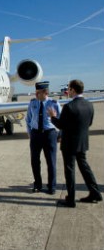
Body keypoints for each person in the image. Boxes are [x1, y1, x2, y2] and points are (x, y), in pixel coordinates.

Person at [48, 79, 102, 208]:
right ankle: (95, 193)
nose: (68, 91)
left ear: (73, 90)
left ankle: (70, 199)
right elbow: (89, 123)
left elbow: (61, 125)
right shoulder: (89, 105)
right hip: (82, 142)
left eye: (69, 89)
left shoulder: (69, 107)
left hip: (69, 144)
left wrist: (52, 117)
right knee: (85, 168)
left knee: (69, 171)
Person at [26, 81, 61, 194]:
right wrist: (30, 133)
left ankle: (52, 186)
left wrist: (60, 134)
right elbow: (28, 119)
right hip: (35, 134)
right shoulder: (32, 103)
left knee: (51, 161)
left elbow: (61, 121)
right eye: (35, 92)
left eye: (38, 92)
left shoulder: (54, 103)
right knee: (34, 161)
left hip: (49, 134)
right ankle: (38, 184)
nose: (36, 94)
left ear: (45, 92)